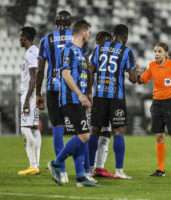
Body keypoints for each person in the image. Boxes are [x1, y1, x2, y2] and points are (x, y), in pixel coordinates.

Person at [47, 19, 99, 187]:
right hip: (70, 99)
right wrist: (80, 95)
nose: (90, 35)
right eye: (89, 32)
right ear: (83, 32)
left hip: (79, 99)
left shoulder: (78, 52)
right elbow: (66, 75)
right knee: (84, 135)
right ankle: (55, 163)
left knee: (81, 136)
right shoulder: (68, 50)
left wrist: (86, 95)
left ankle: (80, 177)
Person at [87, 24, 138, 179]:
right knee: (117, 131)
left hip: (100, 96)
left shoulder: (99, 48)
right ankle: (119, 171)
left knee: (94, 130)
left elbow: (91, 70)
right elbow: (133, 79)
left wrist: (89, 91)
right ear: (125, 37)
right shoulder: (127, 51)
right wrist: (136, 71)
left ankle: (89, 169)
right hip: (116, 97)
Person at [136, 43, 171, 177]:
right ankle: (160, 170)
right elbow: (142, 81)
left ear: (166, 53)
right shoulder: (152, 65)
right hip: (157, 104)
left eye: (160, 51)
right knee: (159, 136)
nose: (157, 54)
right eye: (155, 51)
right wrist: (138, 75)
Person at [36, 10, 75, 183]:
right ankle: (83, 171)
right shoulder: (76, 37)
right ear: (70, 23)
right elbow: (84, 65)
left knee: (58, 129)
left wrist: (38, 93)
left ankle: (63, 172)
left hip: (53, 88)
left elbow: (40, 69)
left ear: (55, 22)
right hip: (71, 88)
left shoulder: (46, 39)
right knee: (79, 130)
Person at [87, 31, 115, 178]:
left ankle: (99, 167)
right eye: (103, 41)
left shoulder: (107, 57)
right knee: (95, 131)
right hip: (97, 99)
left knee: (105, 132)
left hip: (107, 98)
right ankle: (91, 167)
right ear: (97, 41)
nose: (106, 44)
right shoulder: (95, 56)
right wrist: (89, 95)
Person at [18, 26, 42, 175]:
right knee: (34, 128)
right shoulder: (35, 51)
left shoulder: (30, 54)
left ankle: (33, 165)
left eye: (20, 37)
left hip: (29, 96)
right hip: (33, 95)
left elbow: (34, 76)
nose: (19, 39)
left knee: (25, 129)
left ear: (25, 38)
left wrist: (27, 99)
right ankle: (36, 164)